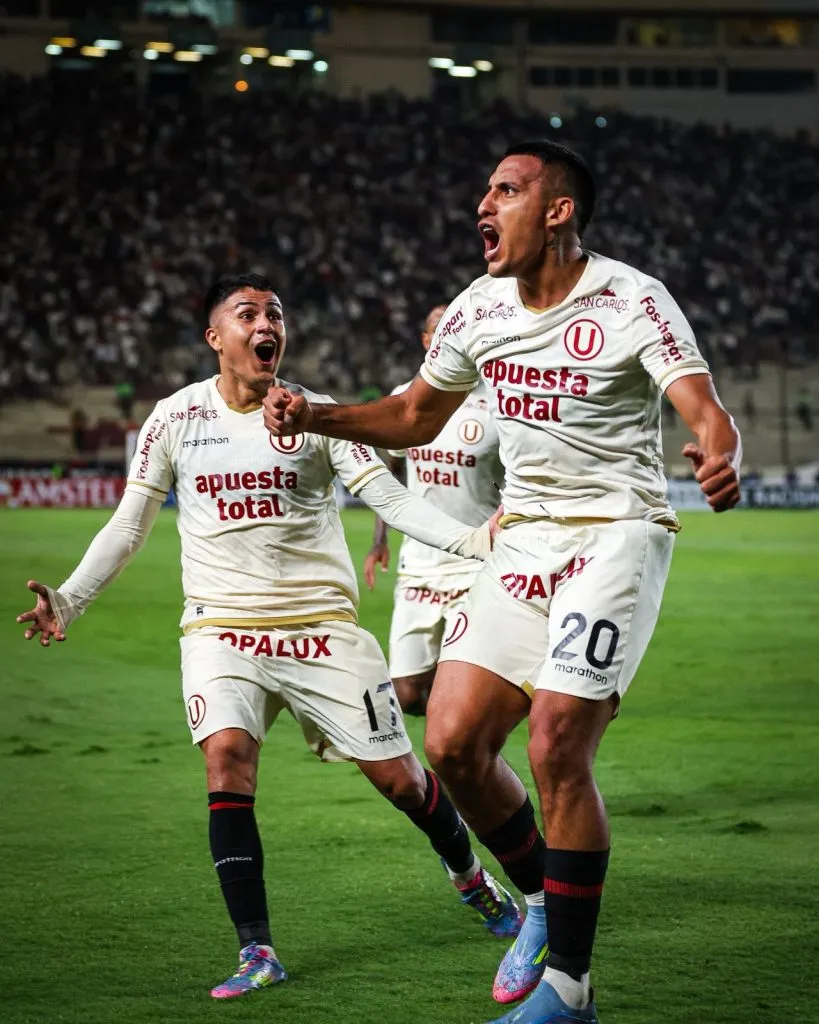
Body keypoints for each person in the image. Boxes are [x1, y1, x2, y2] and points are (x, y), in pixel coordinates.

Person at [262, 142, 742, 1023]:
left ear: (557, 210)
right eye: (484, 190)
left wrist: (718, 453)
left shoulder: (632, 297)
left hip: (616, 536)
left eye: (505, 190)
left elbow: (704, 410)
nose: (483, 204)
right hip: (520, 544)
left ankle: (569, 985)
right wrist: (318, 412)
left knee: (556, 743)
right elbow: (413, 415)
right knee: (449, 741)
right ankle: (537, 899)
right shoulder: (477, 309)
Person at [16, 273, 523, 1002]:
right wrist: (69, 599)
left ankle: (472, 880)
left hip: (320, 628)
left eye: (275, 314)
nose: (266, 324)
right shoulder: (174, 418)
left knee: (402, 782)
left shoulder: (312, 415)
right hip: (221, 628)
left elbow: (387, 496)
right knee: (226, 762)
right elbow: (130, 525)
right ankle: (257, 949)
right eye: (247, 313)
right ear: (214, 337)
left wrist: (476, 544)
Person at [363, 304, 504, 715]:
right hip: (419, 562)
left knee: (461, 697)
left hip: (478, 561)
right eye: (439, 331)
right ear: (427, 341)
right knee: (407, 694)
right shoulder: (404, 400)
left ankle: (462, 754)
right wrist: (379, 540)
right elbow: (389, 472)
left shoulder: (498, 405)